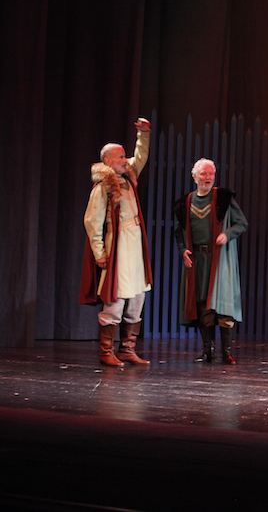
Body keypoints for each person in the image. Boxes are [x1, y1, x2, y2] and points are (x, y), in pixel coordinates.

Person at [79, 118, 153, 366]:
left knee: (138, 296)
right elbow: (92, 221)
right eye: (120, 157)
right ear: (108, 161)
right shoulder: (103, 187)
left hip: (135, 246)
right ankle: (106, 351)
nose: (125, 160)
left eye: (124, 156)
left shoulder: (128, 178)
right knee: (117, 297)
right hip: (118, 246)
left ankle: (127, 349)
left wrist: (143, 134)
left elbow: (140, 157)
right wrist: (99, 252)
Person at [173, 158, 248, 364]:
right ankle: (208, 350)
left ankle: (226, 352)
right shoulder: (186, 202)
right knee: (203, 305)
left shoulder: (223, 198)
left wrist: (227, 234)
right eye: (204, 174)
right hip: (198, 260)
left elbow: (242, 223)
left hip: (220, 259)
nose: (208, 177)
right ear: (194, 176)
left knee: (222, 304)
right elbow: (179, 232)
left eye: (211, 174)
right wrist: (184, 250)